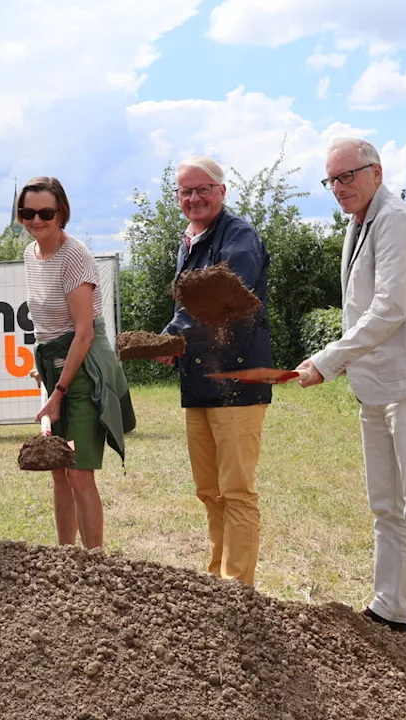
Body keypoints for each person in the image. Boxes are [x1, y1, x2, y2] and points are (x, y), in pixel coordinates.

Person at [297, 138, 406, 661]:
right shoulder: (359, 222)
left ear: (376, 172)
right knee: (385, 505)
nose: (339, 188)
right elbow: (361, 305)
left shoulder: (398, 221)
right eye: (332, 180)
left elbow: (390, 308)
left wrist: (327, 360)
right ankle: (390, 607)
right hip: (377, 387)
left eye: (348, 176)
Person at [158, 155, 272, 587]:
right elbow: (187, 306)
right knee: (209, 490)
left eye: (203, 188)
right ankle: (216, 585)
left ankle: (236, 588)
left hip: (238, 379)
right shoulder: (188, 241)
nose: (195, 198)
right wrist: (174, 337)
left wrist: (175, 336)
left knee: (236, 491)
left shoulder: (238, 236)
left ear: (222, 192)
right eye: (186, 191)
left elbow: (222, 294)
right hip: (199, 380)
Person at [19, 176, 135, 550]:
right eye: (27, 212)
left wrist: (59, 390)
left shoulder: (74, 255)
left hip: (84, 371)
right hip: (57, 364)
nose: (36, 220)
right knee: (58, 473)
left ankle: (94, 562)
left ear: (61, 213)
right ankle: (65, 559)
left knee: (79, 473)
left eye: (45, 213)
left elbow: (83, 334)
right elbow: (47, 324)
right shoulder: (30, 254)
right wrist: (47, 368)